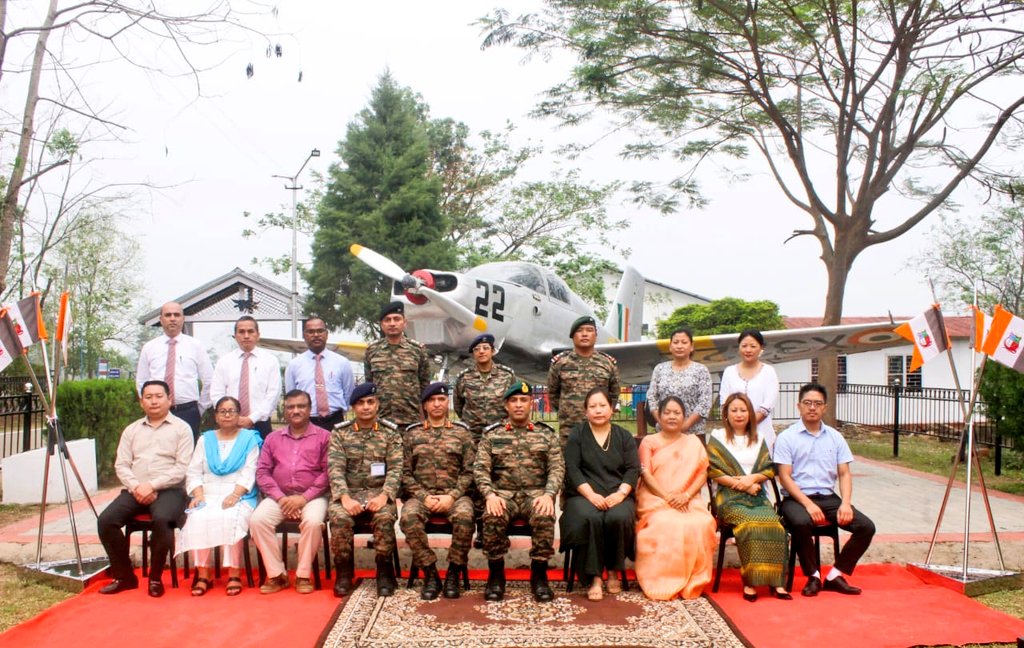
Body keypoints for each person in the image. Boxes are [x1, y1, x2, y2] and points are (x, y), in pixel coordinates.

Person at [775, 383, 876, 597]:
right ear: (799, 406)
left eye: (818, 404)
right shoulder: (787, 437)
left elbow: (844, 473)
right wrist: (807, 504)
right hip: (796, 498)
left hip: (828, 497)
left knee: (866, 526)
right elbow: (785, 476)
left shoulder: (835, 437)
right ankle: (813, 576)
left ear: (825, 408)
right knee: (801, 522)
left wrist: (846, 503)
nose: (812, 407)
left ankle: (835, 575)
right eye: (807, 403)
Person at [97, 380, 192, 597]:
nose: (154, 401)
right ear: (141, 402)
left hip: (170, 490)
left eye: (159, 396)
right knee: (106, 521)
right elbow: (121, 465)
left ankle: (156, 578)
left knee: (163, 519)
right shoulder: (132, 430)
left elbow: (183, 468)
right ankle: (124, 576)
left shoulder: (182, 429)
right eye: (148, 397)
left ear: (170, 400)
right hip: (135, 488)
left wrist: (153, 485)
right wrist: (137, 486)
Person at [475, 381, 564, 603]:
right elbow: (480, 469)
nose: (518, 405)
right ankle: (496, 576)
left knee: (544, 515)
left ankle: (539, 575)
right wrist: (490, 495)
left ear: (531, 404)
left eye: (523, 400)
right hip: (503, 494)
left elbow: (557, 467)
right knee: (492, 515)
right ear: (506, 406)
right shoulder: (492, 435)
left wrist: (548, 494)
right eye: (513, 401)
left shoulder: (546, 434)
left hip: (536, 495)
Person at [707, 393, 790, 602]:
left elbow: (768, 470)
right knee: (750, 525)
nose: (739, 414)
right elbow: (713, 471)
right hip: (728, 498)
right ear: (726, 414)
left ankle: (776, 582)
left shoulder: (759, 438)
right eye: (733, 410)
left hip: (756, 495)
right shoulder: (717, 436)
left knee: (776, 526)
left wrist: (751, 479)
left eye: (743, 410)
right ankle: (751, 582)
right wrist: (741, 485)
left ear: (750, 414)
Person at [177, 396, 262, 596]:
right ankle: (203, 574)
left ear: (239, 414)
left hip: (239, 493)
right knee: (197, 516)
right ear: (216, 416)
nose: (227, 415)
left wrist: (235, 494)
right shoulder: (205, 439)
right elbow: (194, 470)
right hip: (207, 492)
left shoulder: (249, 439)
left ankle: (234, 573)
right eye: (222, 411)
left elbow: (251, 470)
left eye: (231, 411)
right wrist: (198, 494)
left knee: (230, 515)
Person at [560, 387, 639, 601]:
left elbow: (633, 469)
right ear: (585, 411)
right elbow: (572, 469)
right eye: (592, 406)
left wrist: (621, 494)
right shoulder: (578, 434)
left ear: (612, 409)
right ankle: (593, 576)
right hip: (583, 494)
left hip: (617, 493)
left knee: (618, 516)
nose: (598, 410)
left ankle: (613, 570)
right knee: (590, 517)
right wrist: (590, 495)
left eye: (602, 405)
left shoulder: (623, 436)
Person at [634, 396, 716, 600]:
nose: (672, 416)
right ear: (659, 417)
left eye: (677, 413)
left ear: (684, 417)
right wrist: (668, 497)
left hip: (687, 498)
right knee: (666, 522)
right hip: (655, 497)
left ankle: (692, 582)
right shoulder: (649, 441)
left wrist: (686, 496)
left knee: (702, 522)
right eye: (667, 412)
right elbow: (646, 473)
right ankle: (661, 581)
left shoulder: (692, 442)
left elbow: (702, 473)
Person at [249, 389, 331, 595]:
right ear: (284, 411)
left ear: (310, 409)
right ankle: (277, 575)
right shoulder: (272, 438)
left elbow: (328, 473)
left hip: (312, 497)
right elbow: (263, 472)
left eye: (301, 406)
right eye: (291, 407)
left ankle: (303, 575)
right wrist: (282, 499)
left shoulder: (325, 437)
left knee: (313, 523)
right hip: (280, 496)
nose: (296, 411)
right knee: (257, 520)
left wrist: (302, 499)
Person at [399, 382, 475, 600]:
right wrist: (424, 496)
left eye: (441, 399)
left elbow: (469, 472)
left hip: (455, 495)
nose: (437, 404)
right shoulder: (412, 435)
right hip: (421, 495)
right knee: (409, 517)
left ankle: (453, 572)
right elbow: (404, 473)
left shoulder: (462, 433)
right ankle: (430, 572)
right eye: (432, 400)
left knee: (465, 516)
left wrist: (452, 496)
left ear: (447, 403)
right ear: (424, 406)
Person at [327, 382, 402, 598]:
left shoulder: (390, 433)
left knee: (385, 517)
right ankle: (343, 574)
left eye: (370, 402)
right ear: (353, 407)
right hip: (348, 495)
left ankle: (385, 572)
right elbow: (335, 468)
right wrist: (344, 498)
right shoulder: (340, 433)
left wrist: (384, 496)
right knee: (339, 518)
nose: (366, 407)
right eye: (360, 403)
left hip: (379, 494)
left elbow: (396, 469)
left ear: (378, 404)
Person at [136, 301, 214, 440]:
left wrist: (199, 409)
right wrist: (150, 406)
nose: (172, 318)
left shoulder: (195, 346)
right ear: (161, 319)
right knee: (158, 454)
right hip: (157, 411)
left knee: (188, 456)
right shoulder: (149, 347)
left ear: (183, 319)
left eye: (177, 315)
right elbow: (142, 382)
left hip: (188, 412)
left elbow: (209, 380)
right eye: (168, 315)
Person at [547, 316, 620, 448]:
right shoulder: (560, 363)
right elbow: (553, 393)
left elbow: (613, 393)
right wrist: (569, 412)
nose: (585, 334)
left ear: (596, 335)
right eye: (580, 330)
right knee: (569, 466)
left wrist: (603, 413)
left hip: (599, 428)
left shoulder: (607, 363)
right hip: (569, 429)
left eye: (589, 330)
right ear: (572, 336)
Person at [363, 301, 433, 429]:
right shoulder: (372, 350)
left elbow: (425, 386)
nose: (392, 323)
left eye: (397, 319)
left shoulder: (417, 349)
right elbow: (369, 385)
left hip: (412, 419)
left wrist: (425, 418)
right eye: (387, 320)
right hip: (381, 419)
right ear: (382, 325)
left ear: (404, 323)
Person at [211, 316, 282, 439]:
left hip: (260, 423)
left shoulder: (270, 361)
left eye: (250, 331)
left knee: (262, 458)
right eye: (241, 332)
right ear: (235, 336)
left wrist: (251, 418)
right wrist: (230, 416)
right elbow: (216, 393)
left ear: (258, 335)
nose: (246, 335)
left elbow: (273, 394)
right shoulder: (224, 362)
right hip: (229, 424)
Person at [285, 316, 355, 430]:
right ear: (304, 335)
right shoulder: (294, 365)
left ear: (326, 334)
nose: (316, 335)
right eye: (311, 332)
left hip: (336, 421)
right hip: (306, 422)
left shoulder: (342, 362)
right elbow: (291, 396)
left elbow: (349, 392)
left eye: (320, 331)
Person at [718, 329, 780, 450]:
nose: (748, 350)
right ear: (739, 347)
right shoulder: (729, 371)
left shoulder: (769, 371)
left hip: (761, 431)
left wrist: (748, 424)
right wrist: (736, 425)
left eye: (753, 346)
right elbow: (724, 402)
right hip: (734, 433)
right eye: (744, 346)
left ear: (761, 348)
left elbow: (768, 403)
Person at [646, 327, 712, 437]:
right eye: (676, 342)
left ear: (691, 347)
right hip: (664, 433)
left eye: (684, 342)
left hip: (693, 434)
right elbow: (652, 397)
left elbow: (705, 402)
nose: (679, 346)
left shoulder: (701, 370)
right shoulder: (659, 369)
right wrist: (663, 423)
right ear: (670, 347)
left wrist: (685, 426)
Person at [453, 333, 516, 442]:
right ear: (473, 353)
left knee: (501, 459)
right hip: (473, 436)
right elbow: (458, 406)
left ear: (492, 351)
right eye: (477, 349)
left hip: (500, 434)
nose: (481, 351)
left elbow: (513, 401)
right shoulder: (464, 377)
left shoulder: (507, 375)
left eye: (486, 348)